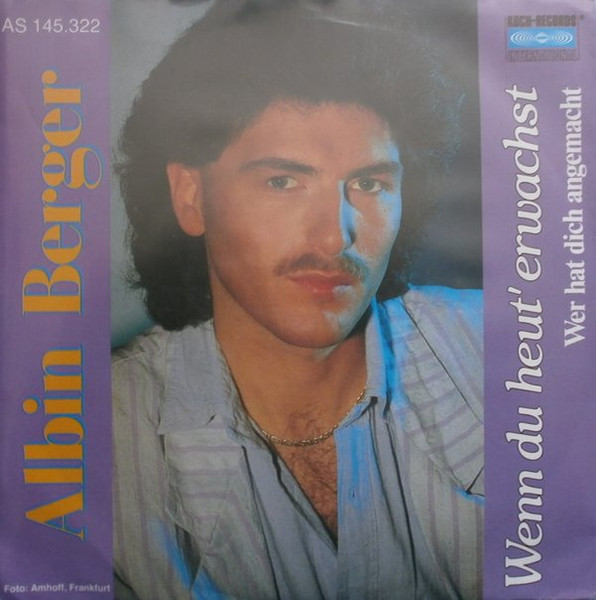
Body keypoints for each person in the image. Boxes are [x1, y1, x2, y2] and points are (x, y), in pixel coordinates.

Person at [112, 1, 483, 598]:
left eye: (368, 183)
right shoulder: (94, 434)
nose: (334, 237)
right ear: (189, 196)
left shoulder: (509, 351)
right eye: (283, 181)